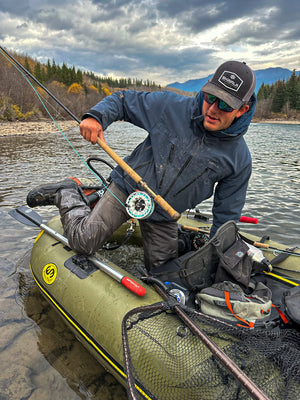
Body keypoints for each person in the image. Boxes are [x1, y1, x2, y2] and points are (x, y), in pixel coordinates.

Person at [27, 60, 256, 271]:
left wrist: (215, 261)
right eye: (210, 97)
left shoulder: (240, 159)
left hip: (166, 214)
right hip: (127, 188)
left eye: (225, 104)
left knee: (162, 276)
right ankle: (68, 191)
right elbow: (123, 101)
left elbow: (226, 217)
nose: (213, 108)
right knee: (83, 242)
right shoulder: (171, 107)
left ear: (242, 109)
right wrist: (96, 117)